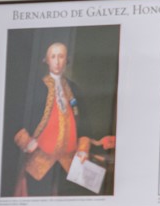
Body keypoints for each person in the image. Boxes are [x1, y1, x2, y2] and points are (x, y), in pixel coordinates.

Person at [10, 41, 114, 197]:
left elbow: (85, 124)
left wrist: (83, 150)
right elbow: (16, 118)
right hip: (40, 161)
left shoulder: (75, 88)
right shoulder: (36, 87)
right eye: (53, 57)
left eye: (61, 57)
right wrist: (26, 141)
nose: (57, 61)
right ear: (46, 60)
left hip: (69, 162)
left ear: (66, 60)